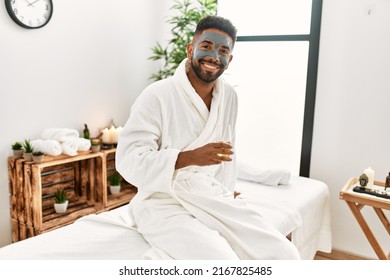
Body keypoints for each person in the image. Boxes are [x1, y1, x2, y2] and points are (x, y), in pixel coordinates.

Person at [116, 15, 300, 260]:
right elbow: (129, 160)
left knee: (284, 253)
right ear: (191, 48)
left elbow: (225, 156)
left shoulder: (229, 97)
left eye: (223, 50)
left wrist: (227, 192)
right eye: (206, 46)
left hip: (210, 195)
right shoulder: (157, 95)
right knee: (220, 262)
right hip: (162, 200)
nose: (214, 55)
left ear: (230, 59)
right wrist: (189, 158)